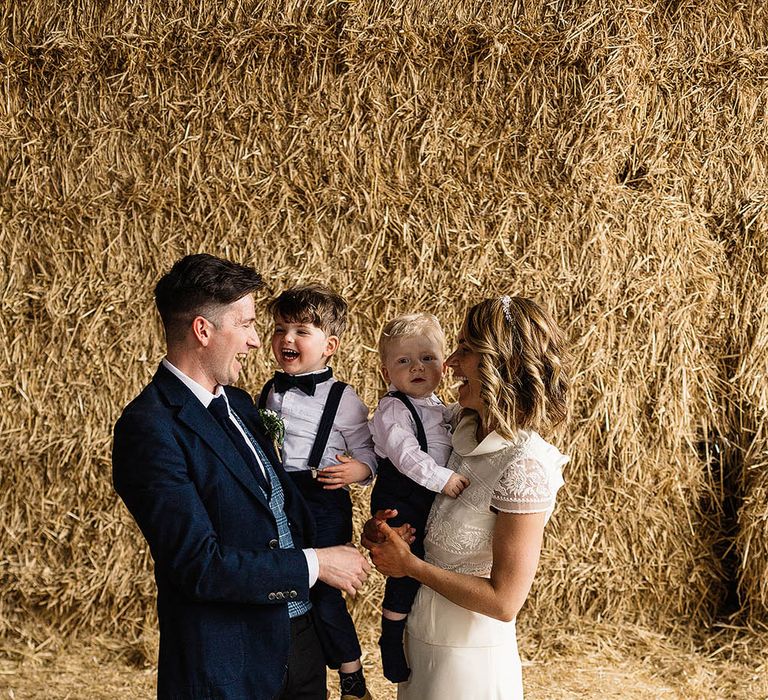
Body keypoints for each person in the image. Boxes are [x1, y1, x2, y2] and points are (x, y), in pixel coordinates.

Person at [112, 254, 370, 700]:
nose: (256, 341)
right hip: (228, 666)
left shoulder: (241, 403)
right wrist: (317, 563)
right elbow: (199, 565)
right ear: (203, 330)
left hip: (300, 641)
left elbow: (278, 508)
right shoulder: (150, 427)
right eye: (248, 324)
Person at [363, 296, 569, 700]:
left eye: (465, 350)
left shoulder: (526, 467)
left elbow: (504, 601)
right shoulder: (453, 426)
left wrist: (410, 565)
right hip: (420, 639)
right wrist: (385, 535)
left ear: (500, 364)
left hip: (469, 663)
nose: (450, 363)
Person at [258, 283, 377, 700]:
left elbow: (369, 454)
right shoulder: (269, 391)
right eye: (279, 329)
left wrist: (357, 470)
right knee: (289, 584)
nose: (286, 339)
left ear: (330, 345)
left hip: (323, 498)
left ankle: (351, 673)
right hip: (280, 498)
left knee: (326, 593)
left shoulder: (343, 399)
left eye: (300, 331)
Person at [368, 313, 469, 682]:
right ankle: (390, 638)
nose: (417, 368)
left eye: (427, 358)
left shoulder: (440, 406)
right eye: (404, 361)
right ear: (386, 374)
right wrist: (442, 479)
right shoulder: (393, 409)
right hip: (402, 496)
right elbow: (406, 455)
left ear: (444, 364)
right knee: (406, 568)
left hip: (429, 497)